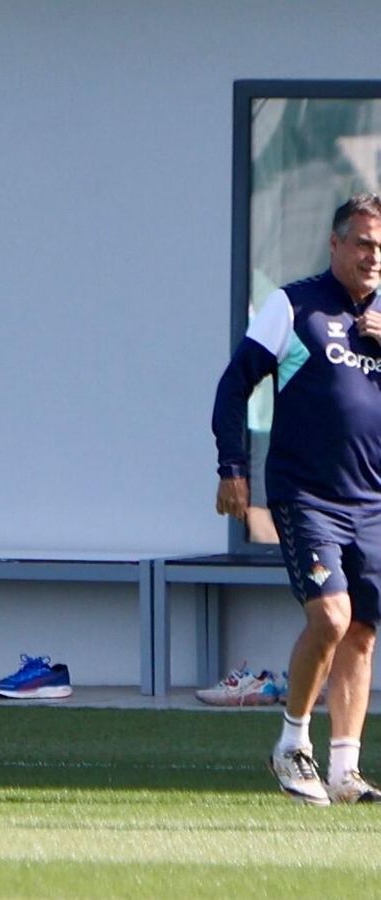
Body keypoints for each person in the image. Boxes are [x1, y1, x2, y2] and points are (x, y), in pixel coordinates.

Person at [213, 193, 381, 805]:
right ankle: (292, 744)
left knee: (362, 631)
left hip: (372, 502)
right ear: (335, 244)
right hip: (306, 495)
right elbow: (235, 385)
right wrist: (232, 468)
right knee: (331, 617)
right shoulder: (295, 305)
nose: (373, 257)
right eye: (362, 243)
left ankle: (345, 769)